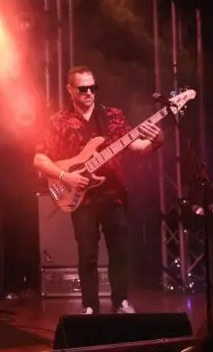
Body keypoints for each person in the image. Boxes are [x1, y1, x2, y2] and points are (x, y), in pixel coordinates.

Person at [34, 66, 164, 315]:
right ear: (70, 90)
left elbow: (137, 146)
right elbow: (39, 159)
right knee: (88, 255)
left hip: (114, 194)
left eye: (93, 88)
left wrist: (157, 140)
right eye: (83, 89)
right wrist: (66, 176)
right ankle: (90, 307)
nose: (89, 93)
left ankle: (121, 301)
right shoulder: (59, 121)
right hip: (82, 198)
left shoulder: (113, 116)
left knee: (121, 252)